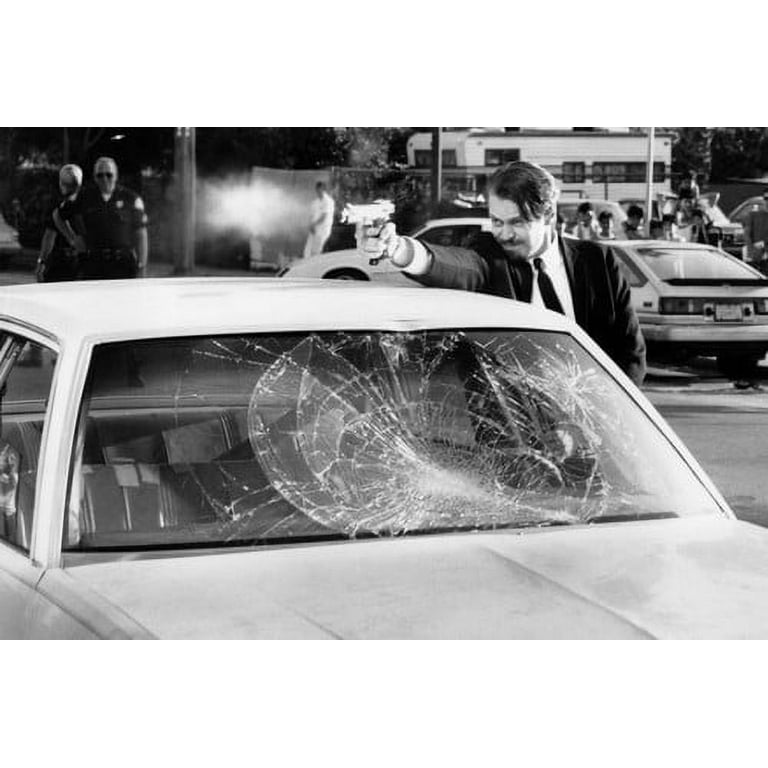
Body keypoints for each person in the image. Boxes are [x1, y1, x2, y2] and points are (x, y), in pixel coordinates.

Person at [357, 160, 646, 386]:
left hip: (599, 436)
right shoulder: (489, 256)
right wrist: (397, 249)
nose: (504, 234)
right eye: (497, 221)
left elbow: (630, 357)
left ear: (549, 216)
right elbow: (454, 265)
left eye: (517, 223)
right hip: (511, 440)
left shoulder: (599, 263)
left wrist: (601, 425)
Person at [65, 157, 149, 279]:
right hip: (93, 264)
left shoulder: (131, 199)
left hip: (123, 265)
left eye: (109, 175)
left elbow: (141, 234)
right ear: (94, 177)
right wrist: (73, 237)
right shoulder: (83, 198)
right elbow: (60, 215)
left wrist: (142, 265)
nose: (104, 179)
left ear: (116, 176)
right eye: (100, 175)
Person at [36, 164, 85, 282]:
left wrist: (42, 261)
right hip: (83, 261)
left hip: (59, 261)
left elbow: (49, 236)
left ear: (60, 183)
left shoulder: (57, 205)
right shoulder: (88, 203)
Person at [303, 181, 335, 258]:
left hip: (323, 230)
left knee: (316, 251)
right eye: (317, 189)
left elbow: (324, 217)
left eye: (320, 189)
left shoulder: (328, 201)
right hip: (314, 230)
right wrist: (310, 225)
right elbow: (311, 216)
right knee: (307, 250)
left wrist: (314, 224)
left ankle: (314, 268)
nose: (318, 191)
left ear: (324, 190)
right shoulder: (315, 202)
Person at [745, 188, 768, 272]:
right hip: (757, 257)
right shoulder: (753, 215)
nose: (767, 202)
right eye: (766, 198)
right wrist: (750, 252)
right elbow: (747, 235)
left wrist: (764, 245)